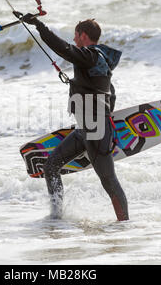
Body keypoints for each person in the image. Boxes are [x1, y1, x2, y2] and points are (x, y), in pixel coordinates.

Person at [22, 14, 129, 221]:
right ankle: (56, 216)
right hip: (86, 128)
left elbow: (63, 48)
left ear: (83, 35)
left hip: (96, 129)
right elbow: (111, 92)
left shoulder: (89, 56)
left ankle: (124, 224)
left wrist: (39, 26)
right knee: (51, 167)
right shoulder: (98, 60)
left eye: (75, 35)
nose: (73, 40)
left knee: (108, 179)